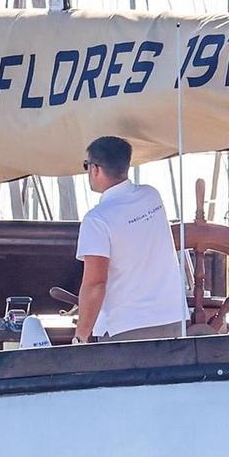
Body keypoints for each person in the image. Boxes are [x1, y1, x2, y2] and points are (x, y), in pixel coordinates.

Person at [73, 135, 189, 343]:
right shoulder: (152, 196)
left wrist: (81, 334)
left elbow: (95, 284)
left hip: (126, 328)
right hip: (172, 319)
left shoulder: (97, 220)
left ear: (95, 169)